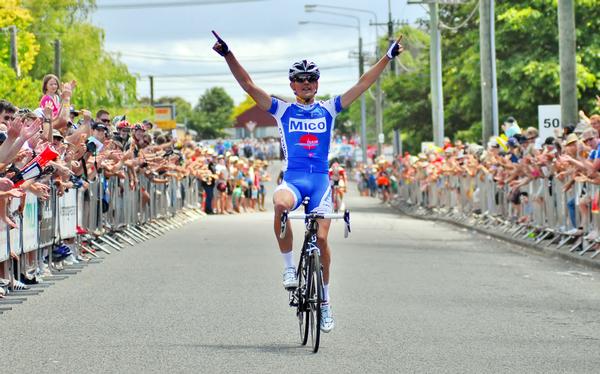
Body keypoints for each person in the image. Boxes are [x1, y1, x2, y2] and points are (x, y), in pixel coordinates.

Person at [212, 30, 404, 333]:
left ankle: (325, 303)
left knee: (324, 240)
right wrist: (228, 54)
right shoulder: (282, 109)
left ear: (317, 83)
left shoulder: (329, 108)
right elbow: (248, 86)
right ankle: (289, 268)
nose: (306, 83)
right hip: (294, 179)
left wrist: (388, 57)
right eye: (300, 79)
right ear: (292, 84)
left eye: (311, 79)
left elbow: (363, 83)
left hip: (320, 182)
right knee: (279, 204)